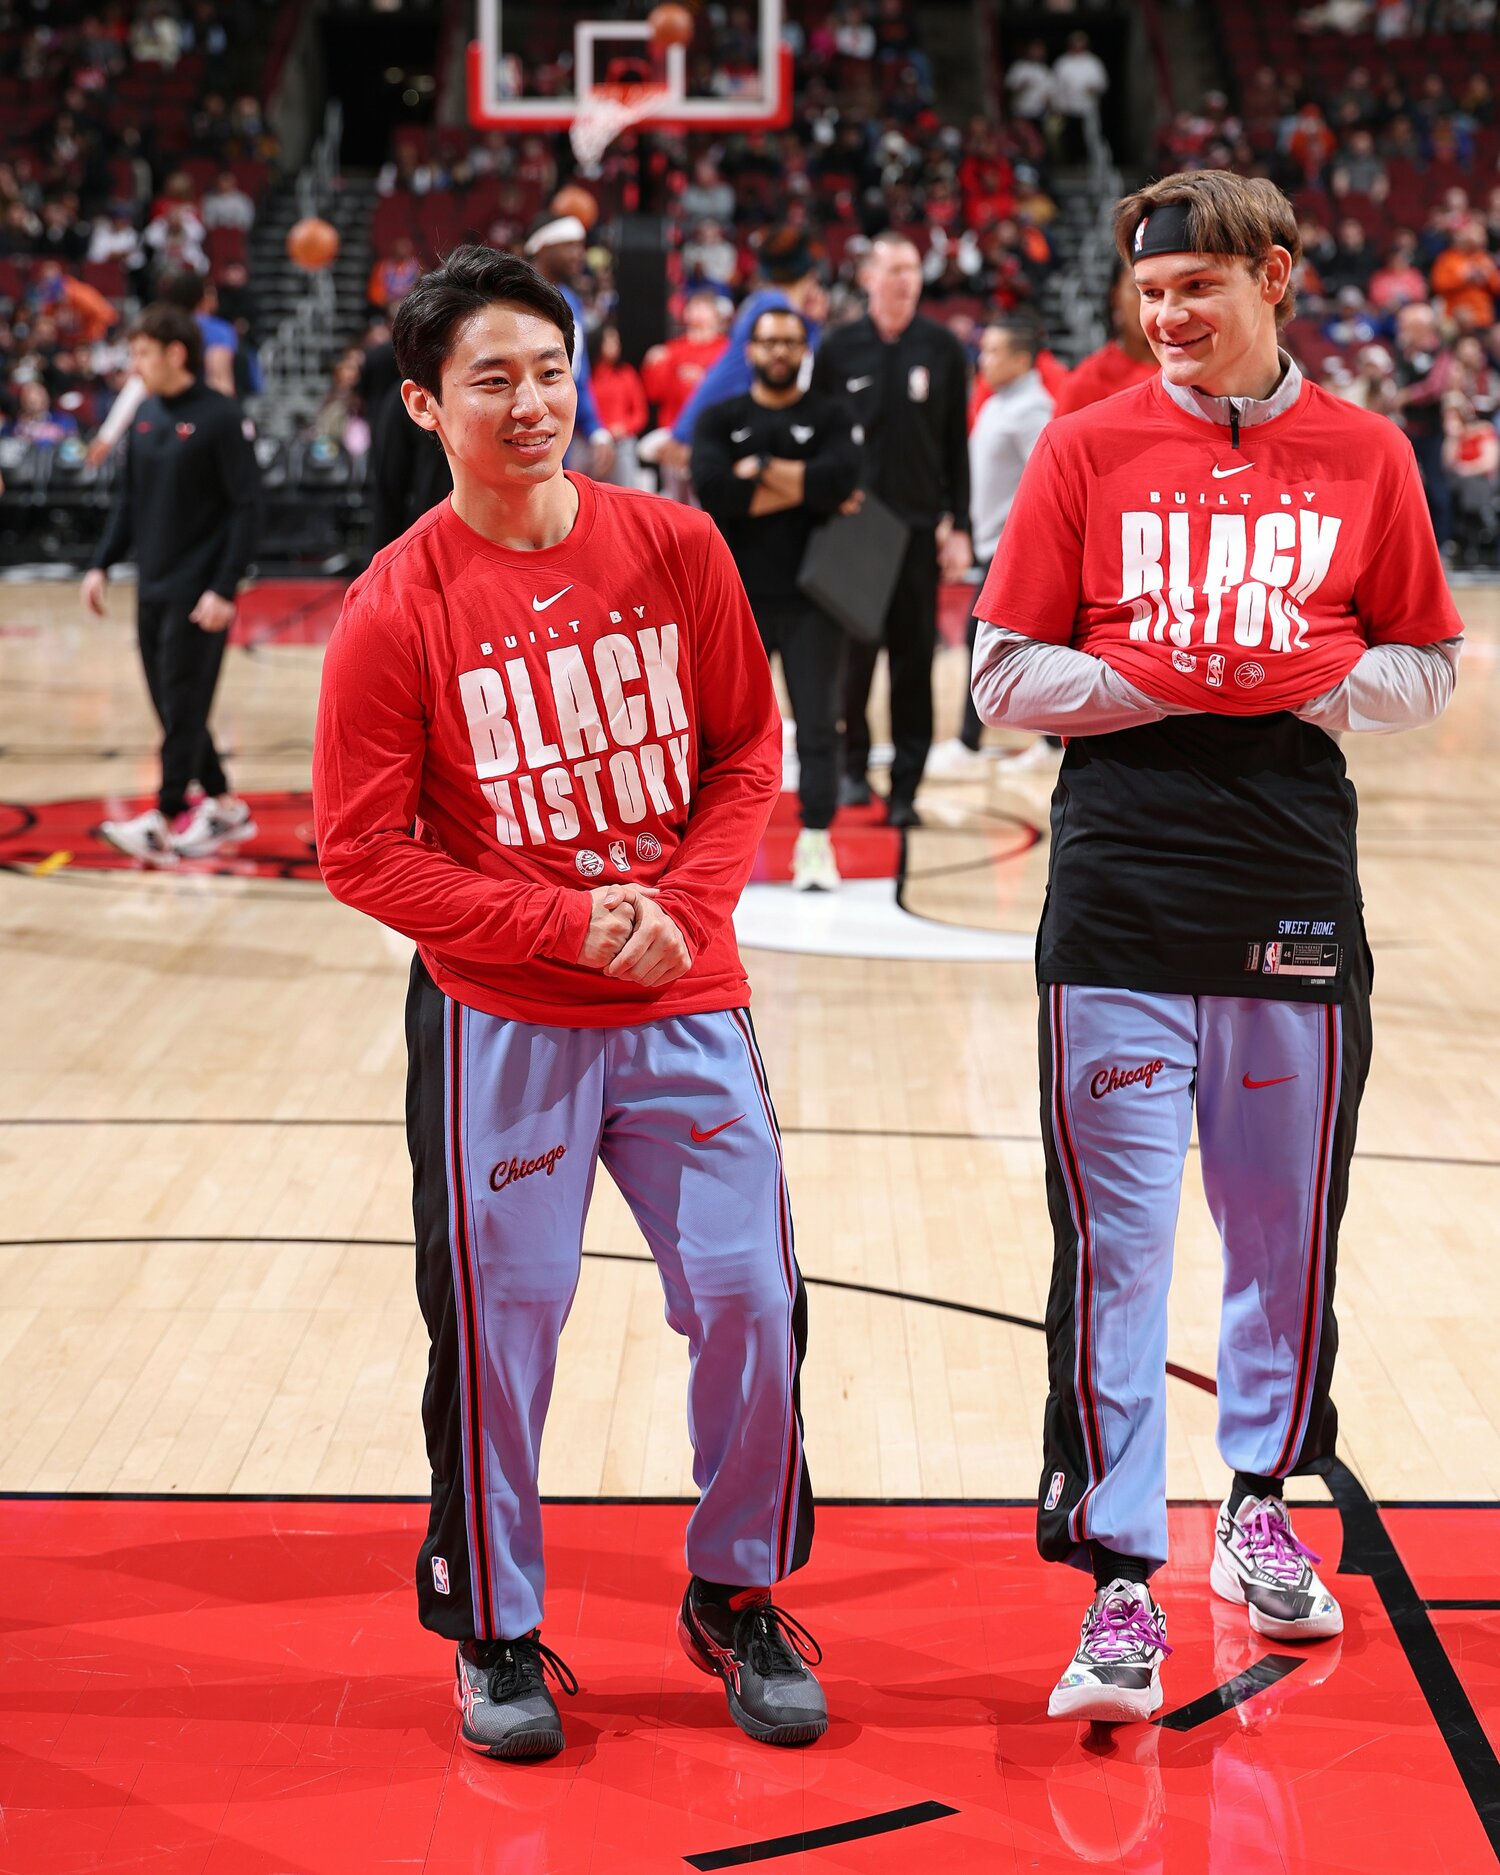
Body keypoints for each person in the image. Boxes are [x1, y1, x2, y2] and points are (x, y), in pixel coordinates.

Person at [311, 245, 824, 1762]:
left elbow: (745, 751)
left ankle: (738, 1591)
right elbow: (359, 851)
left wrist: (682, 908)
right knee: (501, 1329)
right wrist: (557, 922)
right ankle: (495, 1621)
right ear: (425, 401)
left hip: (687, 996)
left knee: (750, 1296)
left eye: (550, 370)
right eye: (492, 379)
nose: (532, 403)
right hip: (500, 1022)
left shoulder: (675, 544)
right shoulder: (394, 606)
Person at [970, 170, 1462, 1723]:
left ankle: (1262, 1499)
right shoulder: (1086, 444)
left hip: (1293, 890)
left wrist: (1307, 685)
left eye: (1197, 287)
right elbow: (1000, 676)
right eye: (1151, 294)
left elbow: (1429, 667)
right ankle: (1118, 1583)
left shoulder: (1367, 453)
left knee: (1281, 1230)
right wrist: (1176, 675)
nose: (1170, 319)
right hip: (1118, 892)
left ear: (1277, 277)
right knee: (1116, 1254)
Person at [691, 305, 863, 890]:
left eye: (792, 342)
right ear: (751, 351)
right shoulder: (720, 417)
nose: (781, 352)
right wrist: (804, 485)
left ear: (804, 350)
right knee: (725, 732)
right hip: (736, 600)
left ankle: (816, 841)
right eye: (770, 342)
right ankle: (716, 851)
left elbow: (841, 480)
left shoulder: (832, 414)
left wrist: (757, 474)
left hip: (816, 598)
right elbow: (714, 493)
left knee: (818, 724)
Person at [81, 302, 260, 863]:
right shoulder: (145, 416)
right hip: (152, 587)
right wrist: (100, 563)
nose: (134, 364)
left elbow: (247, 507)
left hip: (200, 592)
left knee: (182, 705)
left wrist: (225, 587)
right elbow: (129, 502)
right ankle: (227, 809)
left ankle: (162, 818)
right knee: (175, 707)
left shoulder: (220, 417)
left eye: (142, 353)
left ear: (175, 353)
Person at [811, 231, 972, 828]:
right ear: (869, 277)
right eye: (893, 268)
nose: (905, 279)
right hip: (855, 527)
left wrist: (961, 525)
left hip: (920, 528)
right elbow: (819, 433)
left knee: (914, 663)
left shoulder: (943, 349)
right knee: (853, 659)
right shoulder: (838, 348)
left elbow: (957, 443)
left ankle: (906, 785)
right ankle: (854, 769)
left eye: (912, 269)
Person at [931, 317, 1053, 774]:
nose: (984, 360)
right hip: (989, 545)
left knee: (985, 640)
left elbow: (1045, 484)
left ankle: (970, 741)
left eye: (994, 352)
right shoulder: (998, 403)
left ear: (1021, 359)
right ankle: (1044, 741)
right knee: (995, 641)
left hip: (1012, 550)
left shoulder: (1033, 409)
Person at [522, 213, 615, 479]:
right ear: (542, 246)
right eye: (570, 245)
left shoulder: (571, 299)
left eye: (581, 246)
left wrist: (596, 429)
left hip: (559, 434)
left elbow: (576, 376)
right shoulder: (517, 299)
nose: (579, 254)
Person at [1051, 261, 1162, 417]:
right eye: (1142, 290)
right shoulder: (1085, 384)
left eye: (1161, 291)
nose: (1151, 305)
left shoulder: (1197, 374)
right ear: (1116, 297)